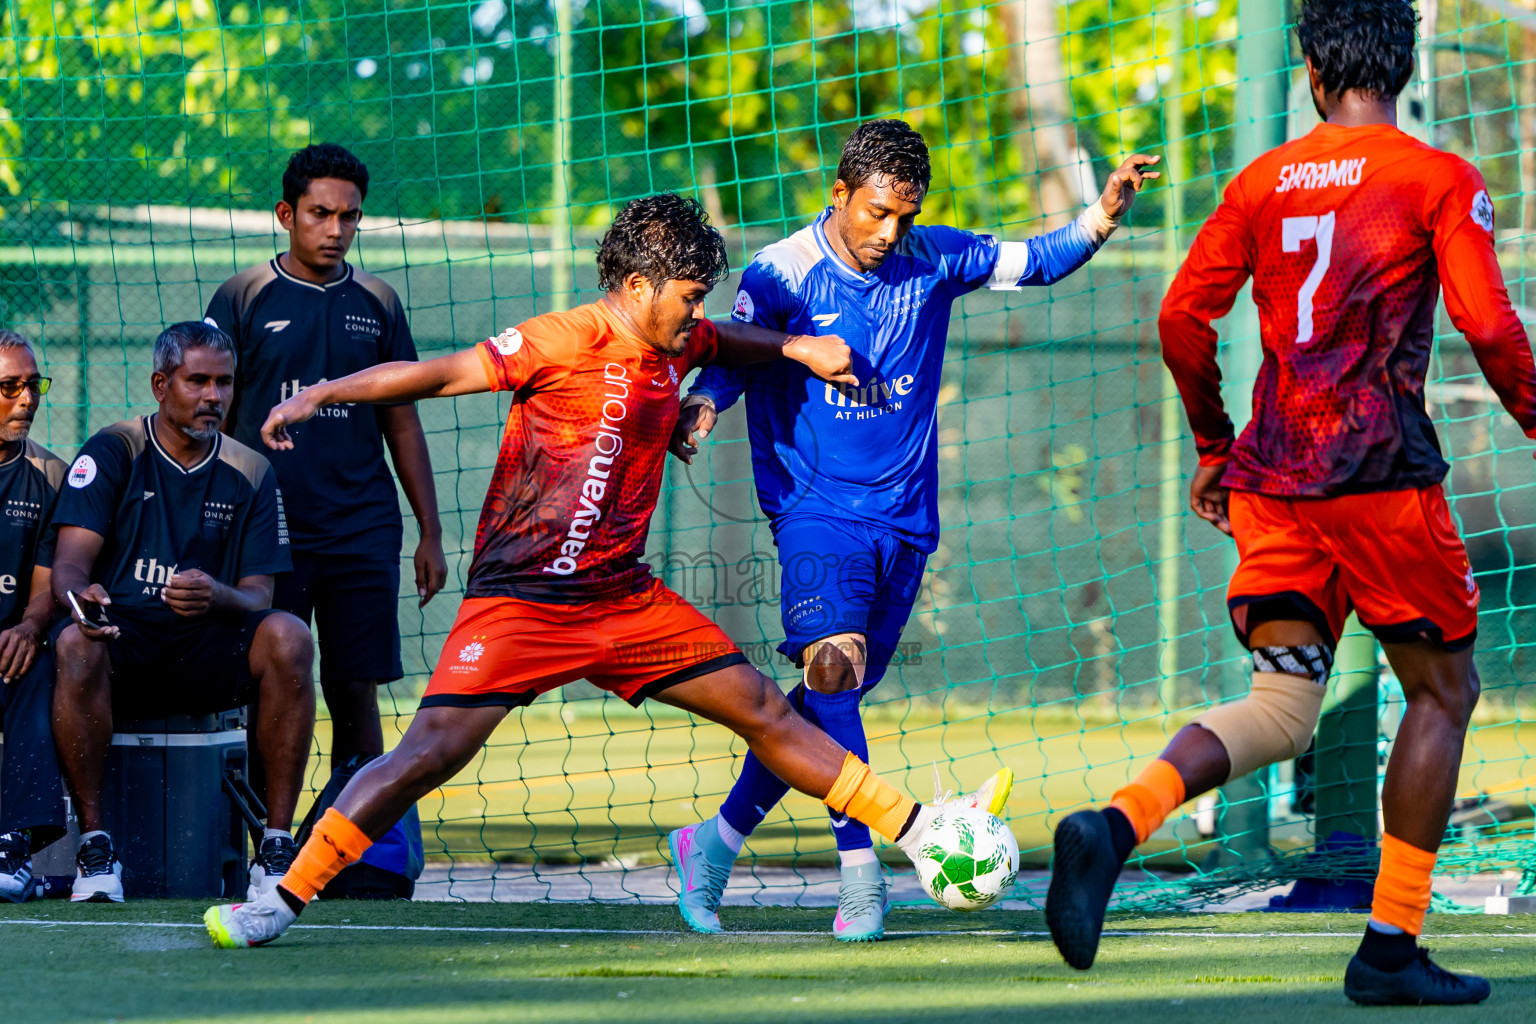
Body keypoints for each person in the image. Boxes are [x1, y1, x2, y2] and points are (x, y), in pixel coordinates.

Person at [203, 192, 1009, 949]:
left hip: (622, 600)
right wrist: (321, 395)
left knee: (765, 706)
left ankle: (923, 834)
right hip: (520, 603)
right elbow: (440, 374)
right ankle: (280, 899)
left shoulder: (680, 336)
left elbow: (730, 339)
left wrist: (795, 345)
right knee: (424, 757)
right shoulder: (563, 338)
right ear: (635, 285)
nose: (698, 312)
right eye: (689, 295)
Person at [1045, 0, 1536, 1006]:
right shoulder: (1439, 177)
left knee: (1280, 704)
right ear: (1401, 65)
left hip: (1274, 481)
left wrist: (1219, 445)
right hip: (1381, 483)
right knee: (1443, 693)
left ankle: (1117, 823)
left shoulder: (1261, 181)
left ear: (1311, 71)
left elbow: (1183, 318)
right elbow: (1488, 324)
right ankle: (1390, 944)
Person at [666, 119, 1157, 941]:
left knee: (827, 700)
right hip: (812, 506)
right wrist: (707, 403)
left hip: (906, 519)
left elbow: (1036, 263)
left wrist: (1101, 213)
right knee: (833, 665)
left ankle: (711, 845)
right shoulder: (779, 271)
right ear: (839, 195)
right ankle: (862, 877)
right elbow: (733, 352)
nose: (889, 233)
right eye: (876, 212)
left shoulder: (933, 256)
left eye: (906, 215)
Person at [204, 143, 448, 778]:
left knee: (355, 688)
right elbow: (212, 419)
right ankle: (270, 847)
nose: (336, 229)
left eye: (350, 216)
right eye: (320, 213)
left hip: (361, 525)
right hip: (267, 531)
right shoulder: (243, 295)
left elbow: (403, 418)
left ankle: (353, 854)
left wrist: (431, 531)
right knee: (270, 686)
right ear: (286, 214)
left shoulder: (379, 302)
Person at [49, 322, 316, 903]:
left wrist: (217, 595)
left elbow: (258, 596)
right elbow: (69, 567)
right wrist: (84, 602)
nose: (213, 396)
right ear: (160, 384)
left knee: (290, 637)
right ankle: (96, 851)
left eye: (223, 382)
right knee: (74, 641)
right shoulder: (113, 449)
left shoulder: (251, 469)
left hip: (207, 649)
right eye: (197, 381)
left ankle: (274, 847)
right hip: (125, 640)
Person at [0, 331, 68, 902]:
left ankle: (11, 844)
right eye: (8, 387)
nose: (26, 399)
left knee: (38, 663)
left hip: (8, 647)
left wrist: (29, 626)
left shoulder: (51, 475)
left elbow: (49, 586)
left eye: (32, 385)